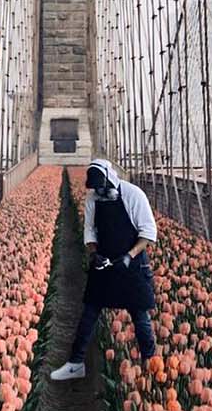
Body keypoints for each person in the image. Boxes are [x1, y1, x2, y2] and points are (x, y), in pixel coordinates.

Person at [50, 157, 158, 382]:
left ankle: (151, 364)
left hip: (132, 263)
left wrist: (129, 256)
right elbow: (90, 230)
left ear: (111, 179)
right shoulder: (93, 198)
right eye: (96, 188)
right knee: (90, 311)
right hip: (105, 260)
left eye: (102, 186)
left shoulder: (133, 194)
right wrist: (93, 253)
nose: (99, 191)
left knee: (139, 315)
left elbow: (148, 232)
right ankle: (76, 363)